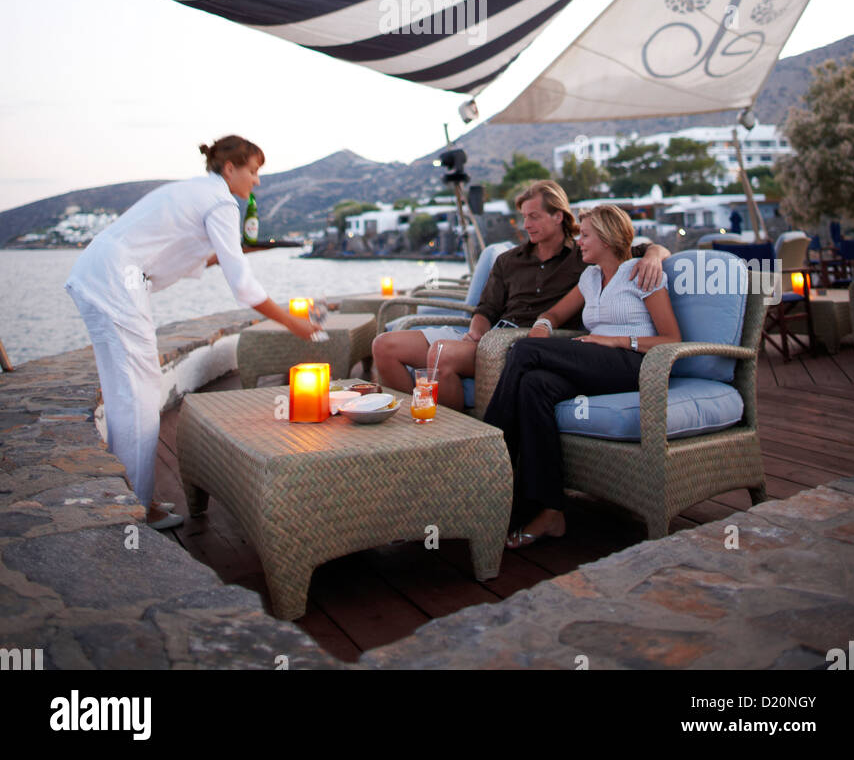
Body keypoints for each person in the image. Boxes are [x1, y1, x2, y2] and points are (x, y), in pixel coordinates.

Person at [64, 136, 318, 529]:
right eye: (253, 171)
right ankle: (135, 507)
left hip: (99, 273)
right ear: (230, 169)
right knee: (139, 396)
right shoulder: (219, 200)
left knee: (125, 395)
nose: (257, 181)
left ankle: (126, 496)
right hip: (117, 280)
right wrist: (290, 320)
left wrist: (242, 250)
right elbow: (243, 285)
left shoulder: (198, 192)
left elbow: (209, 255)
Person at [483, 203, 681, 548]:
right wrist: (543, 324)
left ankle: (485, 463)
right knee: (534, 385)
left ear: (606, 238)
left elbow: (672, 340)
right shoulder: (589, 278)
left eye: (586, 235)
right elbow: (555, 312)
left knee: (523, 352)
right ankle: (549, 511)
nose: (580, 242)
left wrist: (618, 339)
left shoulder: (641, 272)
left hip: (634, 365)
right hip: (595, 361)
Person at [372, 180, 669, 410]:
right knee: (384, 346)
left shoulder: (586, 257)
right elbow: (486, 309)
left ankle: (452, 440)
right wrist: (475, 332)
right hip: (489, 335)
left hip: (527, 343)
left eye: (534, 216)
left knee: (441, 354)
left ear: (558, 217)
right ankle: (416, 422)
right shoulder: (509, 259)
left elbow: (635, 249)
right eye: (524, 216)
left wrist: (654, 256)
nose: (526, 224)